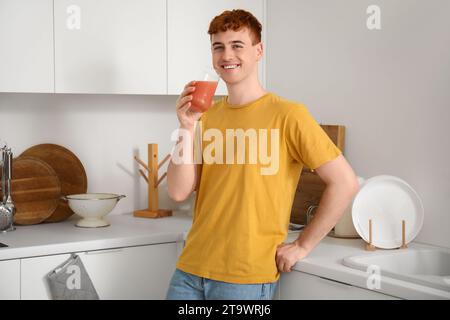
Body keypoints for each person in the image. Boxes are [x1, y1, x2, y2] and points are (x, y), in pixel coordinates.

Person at [166, 9, 359, 300]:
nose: (226, 55)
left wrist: (303, 245)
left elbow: (345, 182)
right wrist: (185, 126)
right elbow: (179, 191)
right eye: (218, 47)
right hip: (190, 269)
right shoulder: (206, 117)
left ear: (259, 51)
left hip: (245, 278)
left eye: (237, 45)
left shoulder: (288, 115)